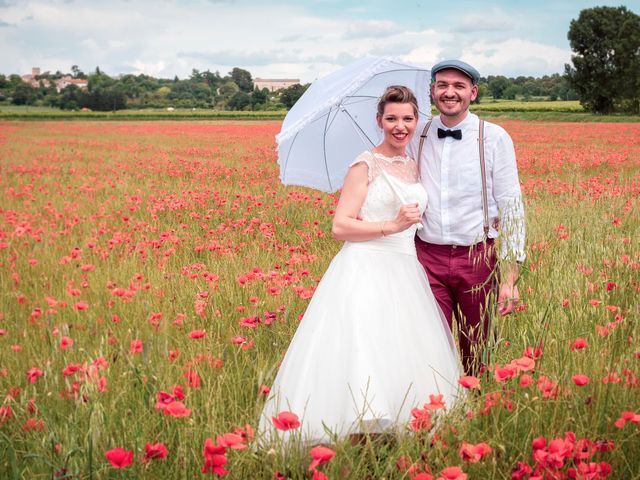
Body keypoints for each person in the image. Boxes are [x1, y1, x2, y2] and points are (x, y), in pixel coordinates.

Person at [259, 86, 461, 445]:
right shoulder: (363, 165)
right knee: (364, 348)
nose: (400, 126)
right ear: (379, 121)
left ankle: (393, 433)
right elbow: (340, 226)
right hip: (367, 267)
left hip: (405, 269)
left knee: (401, 349)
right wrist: (391, 226)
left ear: (417, 121)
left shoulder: (413, 165)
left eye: (408, 119)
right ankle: (358, 433)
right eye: (392, 119)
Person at [409, 60, 526, 376]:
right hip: (425, 257)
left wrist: (510, 278)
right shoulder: (416, 133)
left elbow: (512, 207)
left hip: (477, 257)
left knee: (477, 346)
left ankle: (477, 410)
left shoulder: (494, 137)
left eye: (458, 86)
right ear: (432, 91)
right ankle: (435, 410)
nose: (449, 93)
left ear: (472, 93)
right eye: (442, 85)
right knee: (429, 342)